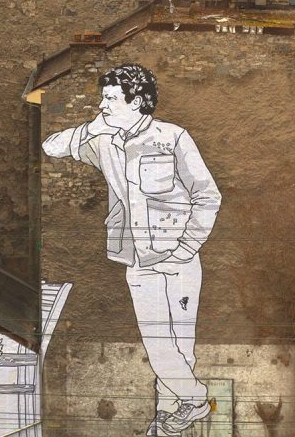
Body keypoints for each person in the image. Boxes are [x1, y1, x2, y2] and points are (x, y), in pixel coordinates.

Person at [41, 64, 221, 437]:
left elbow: (207, 195)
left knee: (182, 345)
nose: (102, 105)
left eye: (109, 98)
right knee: (157, 343)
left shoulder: (172, 137)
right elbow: (51, 147)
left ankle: (168, 419)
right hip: (138, 260)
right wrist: (90, 129)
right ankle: (196, 397)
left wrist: (187, 247)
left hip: (181, 259)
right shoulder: (103, 142)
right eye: (102, 98)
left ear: (136, 101)